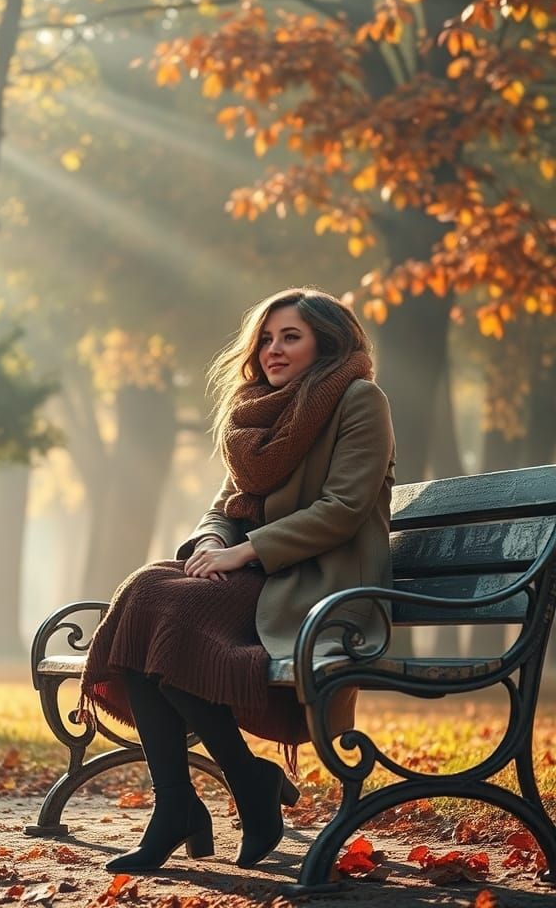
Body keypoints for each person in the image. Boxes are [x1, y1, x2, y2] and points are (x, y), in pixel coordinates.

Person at [78, 286, 396, 875]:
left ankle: (230, 789)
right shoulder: (258, 413)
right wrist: (212, 543)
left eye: (290, 337)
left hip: (320, 585)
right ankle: (190, 799)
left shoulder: (359, 399)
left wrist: (246, 550)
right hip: (256, 574)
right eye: (266, 339)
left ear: (326, 343)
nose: (273, 350)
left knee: (171, 612)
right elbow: (225, 504)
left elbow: (344, 507)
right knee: (147, 592)